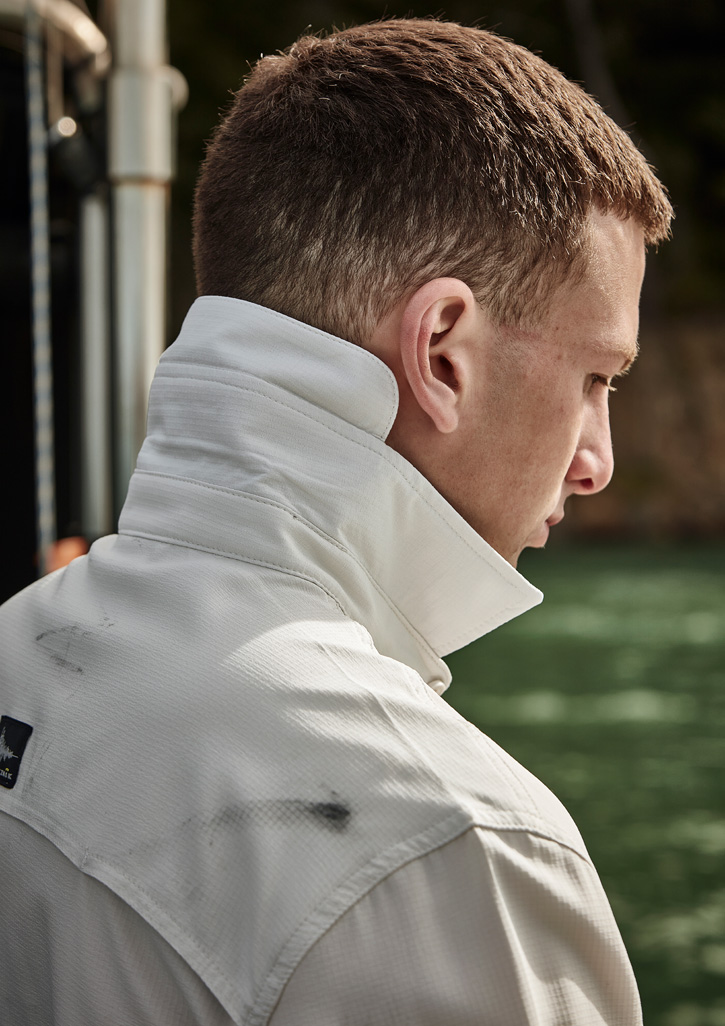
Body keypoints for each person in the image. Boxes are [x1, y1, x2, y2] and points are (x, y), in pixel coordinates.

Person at [0, 17, 671, 1026]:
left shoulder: (14, 650)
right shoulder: (452, 848)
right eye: (594, 378)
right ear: (441, 353)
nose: (595, 461)